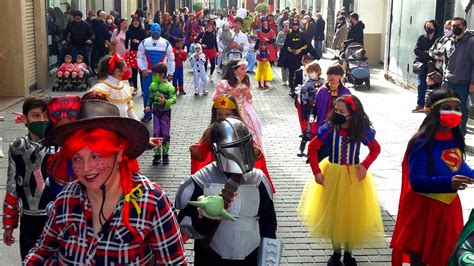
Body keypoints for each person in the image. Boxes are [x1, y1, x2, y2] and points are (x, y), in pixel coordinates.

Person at [24, 100, 187, 264]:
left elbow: (175, 262)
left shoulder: (152, 202)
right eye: (77, 158)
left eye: (96, 156)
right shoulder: (66, 199)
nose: (86, 168)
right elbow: (41, 252)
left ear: (119, 154)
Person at [175, 117, 277, 265]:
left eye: (244, 145)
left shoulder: (258, 180)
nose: (241, 153)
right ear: (217, 149)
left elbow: (268, 223)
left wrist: (268, 260)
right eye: (235, 147)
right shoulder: (201, 181)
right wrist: (204, 218)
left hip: (251, 257)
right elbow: (186, 227)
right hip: (211, 258)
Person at [391, 89, 474, 266]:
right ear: (435, 111)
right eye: (447, 107)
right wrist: (448, 182)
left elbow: (458, 165)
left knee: (447, 257)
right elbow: (416, 181)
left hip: (449, 210)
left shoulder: (454, 137)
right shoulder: (421, 142)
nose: (453, 112)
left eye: (457, 108)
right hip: (424, 211)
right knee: (419, 261)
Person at [299, 95, 384, 266]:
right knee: (334, 214)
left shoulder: (360, 130)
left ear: (352, 113)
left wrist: (364, 166)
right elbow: (312, 147)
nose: (337, 113)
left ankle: (348, 254)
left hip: (353, 177)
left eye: (342, 111)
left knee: (351, 215)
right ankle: (336, 253)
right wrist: (316, 171)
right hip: (333, 175)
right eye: (335, 110)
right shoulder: (331, 127)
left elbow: (375, 149)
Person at [189, 95, 275, 192]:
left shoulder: (240, 129)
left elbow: (252, 151)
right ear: (215, 114)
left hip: (240, 171)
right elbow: (203, 152)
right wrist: (196, 150)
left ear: (234, 114)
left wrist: (256, 152)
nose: (223, 117)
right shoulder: (212, 130)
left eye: (227, 114)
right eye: (219, 114)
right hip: (218, 172)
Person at [2, 95, 52, 260]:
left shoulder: (61, 146)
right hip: (29, 221)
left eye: (46, 115)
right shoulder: (17, 147)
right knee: (29, 259)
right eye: (36, 116)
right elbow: (12, 186)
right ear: (26, 118)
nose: (42, 120)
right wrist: (9, 224)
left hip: (57, 219)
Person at [213, 60, 264, 149]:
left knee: (251, 134)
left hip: (247, 114)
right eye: (242, 69)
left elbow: (249, 99)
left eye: (245, 69)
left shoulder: (245, 82)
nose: (245, 71)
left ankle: (250, 152)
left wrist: (248, 94)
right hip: (230, 114)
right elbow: (216, 99)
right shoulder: (224, 83)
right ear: (234, 71)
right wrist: (229, 95)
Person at [442, 17, 474, 135]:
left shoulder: (471, 42)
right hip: (449, 82)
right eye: (453, 26)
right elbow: (446, 62)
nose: (455, 28)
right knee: (448, 110)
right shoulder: (449, 42)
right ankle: (449, 135)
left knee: (461, 111)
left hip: (463, 84)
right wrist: (444, 80)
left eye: (458, 26)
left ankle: (460, 137)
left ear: (464, 27)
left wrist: (472, 83)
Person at [137, 23, 175, 122]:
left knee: (161, 95)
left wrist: (170, 73)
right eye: (154, 31)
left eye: (157, 31)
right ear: (150, 31)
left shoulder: (166, 43)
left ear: (160, 31)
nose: (155, 33)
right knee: (147, 95)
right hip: (147, 73)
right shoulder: (144, 42)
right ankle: (147, 114)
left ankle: (159, 114)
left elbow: (171, 59)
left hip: (161, 76)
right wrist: (143, 69)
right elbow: (139, 57)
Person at [145, 63, 177, 165]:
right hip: (156, 112)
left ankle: (166, 154)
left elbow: (174, 99)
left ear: (162, 75)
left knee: (165, 133)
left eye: (155, 74)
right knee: (156, 132)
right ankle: (157, 155)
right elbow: (150, 98)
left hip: (165, 113)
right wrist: (148, 106)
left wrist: (166, 102)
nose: (153, 76)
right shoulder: (152, 86)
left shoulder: (169, 87)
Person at [90, 54, 137, 119]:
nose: (126, 71)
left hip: (123, 127)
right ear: (118, 72)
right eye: (124, 69)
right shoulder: (100, 90)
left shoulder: (124, 88)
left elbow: (130, 113)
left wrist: (139, 127)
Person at [279, 19, 314, 97]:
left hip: (299, 58)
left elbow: (307, 44)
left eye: (296, 25)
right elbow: (286, 45)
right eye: (293, 25)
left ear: (298, 25)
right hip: (291, 58)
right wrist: (291, 50)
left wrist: (300, 49)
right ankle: (292, 89)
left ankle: (300, 89)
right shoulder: (289, 34)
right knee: (291, 74)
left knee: (300, 73)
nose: (295, 26)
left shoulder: (302, 34)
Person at [412, 20, 438, 113]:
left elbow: (438, 52)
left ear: (434, 27)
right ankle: (420, 104)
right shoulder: (422, 38)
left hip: (434, 66)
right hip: (422, 64)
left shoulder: (438, 39)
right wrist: (427, 54)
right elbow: (416, 50)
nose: (428, 29)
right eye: (427, 27)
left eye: (430, 27)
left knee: (433, 86)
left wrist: (431, 55)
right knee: (421, 85)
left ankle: (430, 105)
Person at [124, 14, 147, 95]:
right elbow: (126, 41)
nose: (136, 23)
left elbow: (145, 42)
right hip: (132, 52)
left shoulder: (142, 31)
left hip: (141, 53)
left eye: (137, 21)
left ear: (139, 22)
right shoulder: (129, 31)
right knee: (134, 72)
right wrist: (127, 48)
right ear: (132, 22)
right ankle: (135, 88)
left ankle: (144, 89)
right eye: (134, 21)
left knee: (141, 71)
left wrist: (139, 42)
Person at [276, 21, 290, 86]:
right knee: (283, 66)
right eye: (285, 25)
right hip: (282, 51)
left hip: (290, 52)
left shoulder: (291, 33)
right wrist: (282, 44)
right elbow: (277, 43)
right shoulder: (280, 34)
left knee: (289, 66)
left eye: (288, 25)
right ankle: (284, 80)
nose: (286, 27)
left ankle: (289, 79)